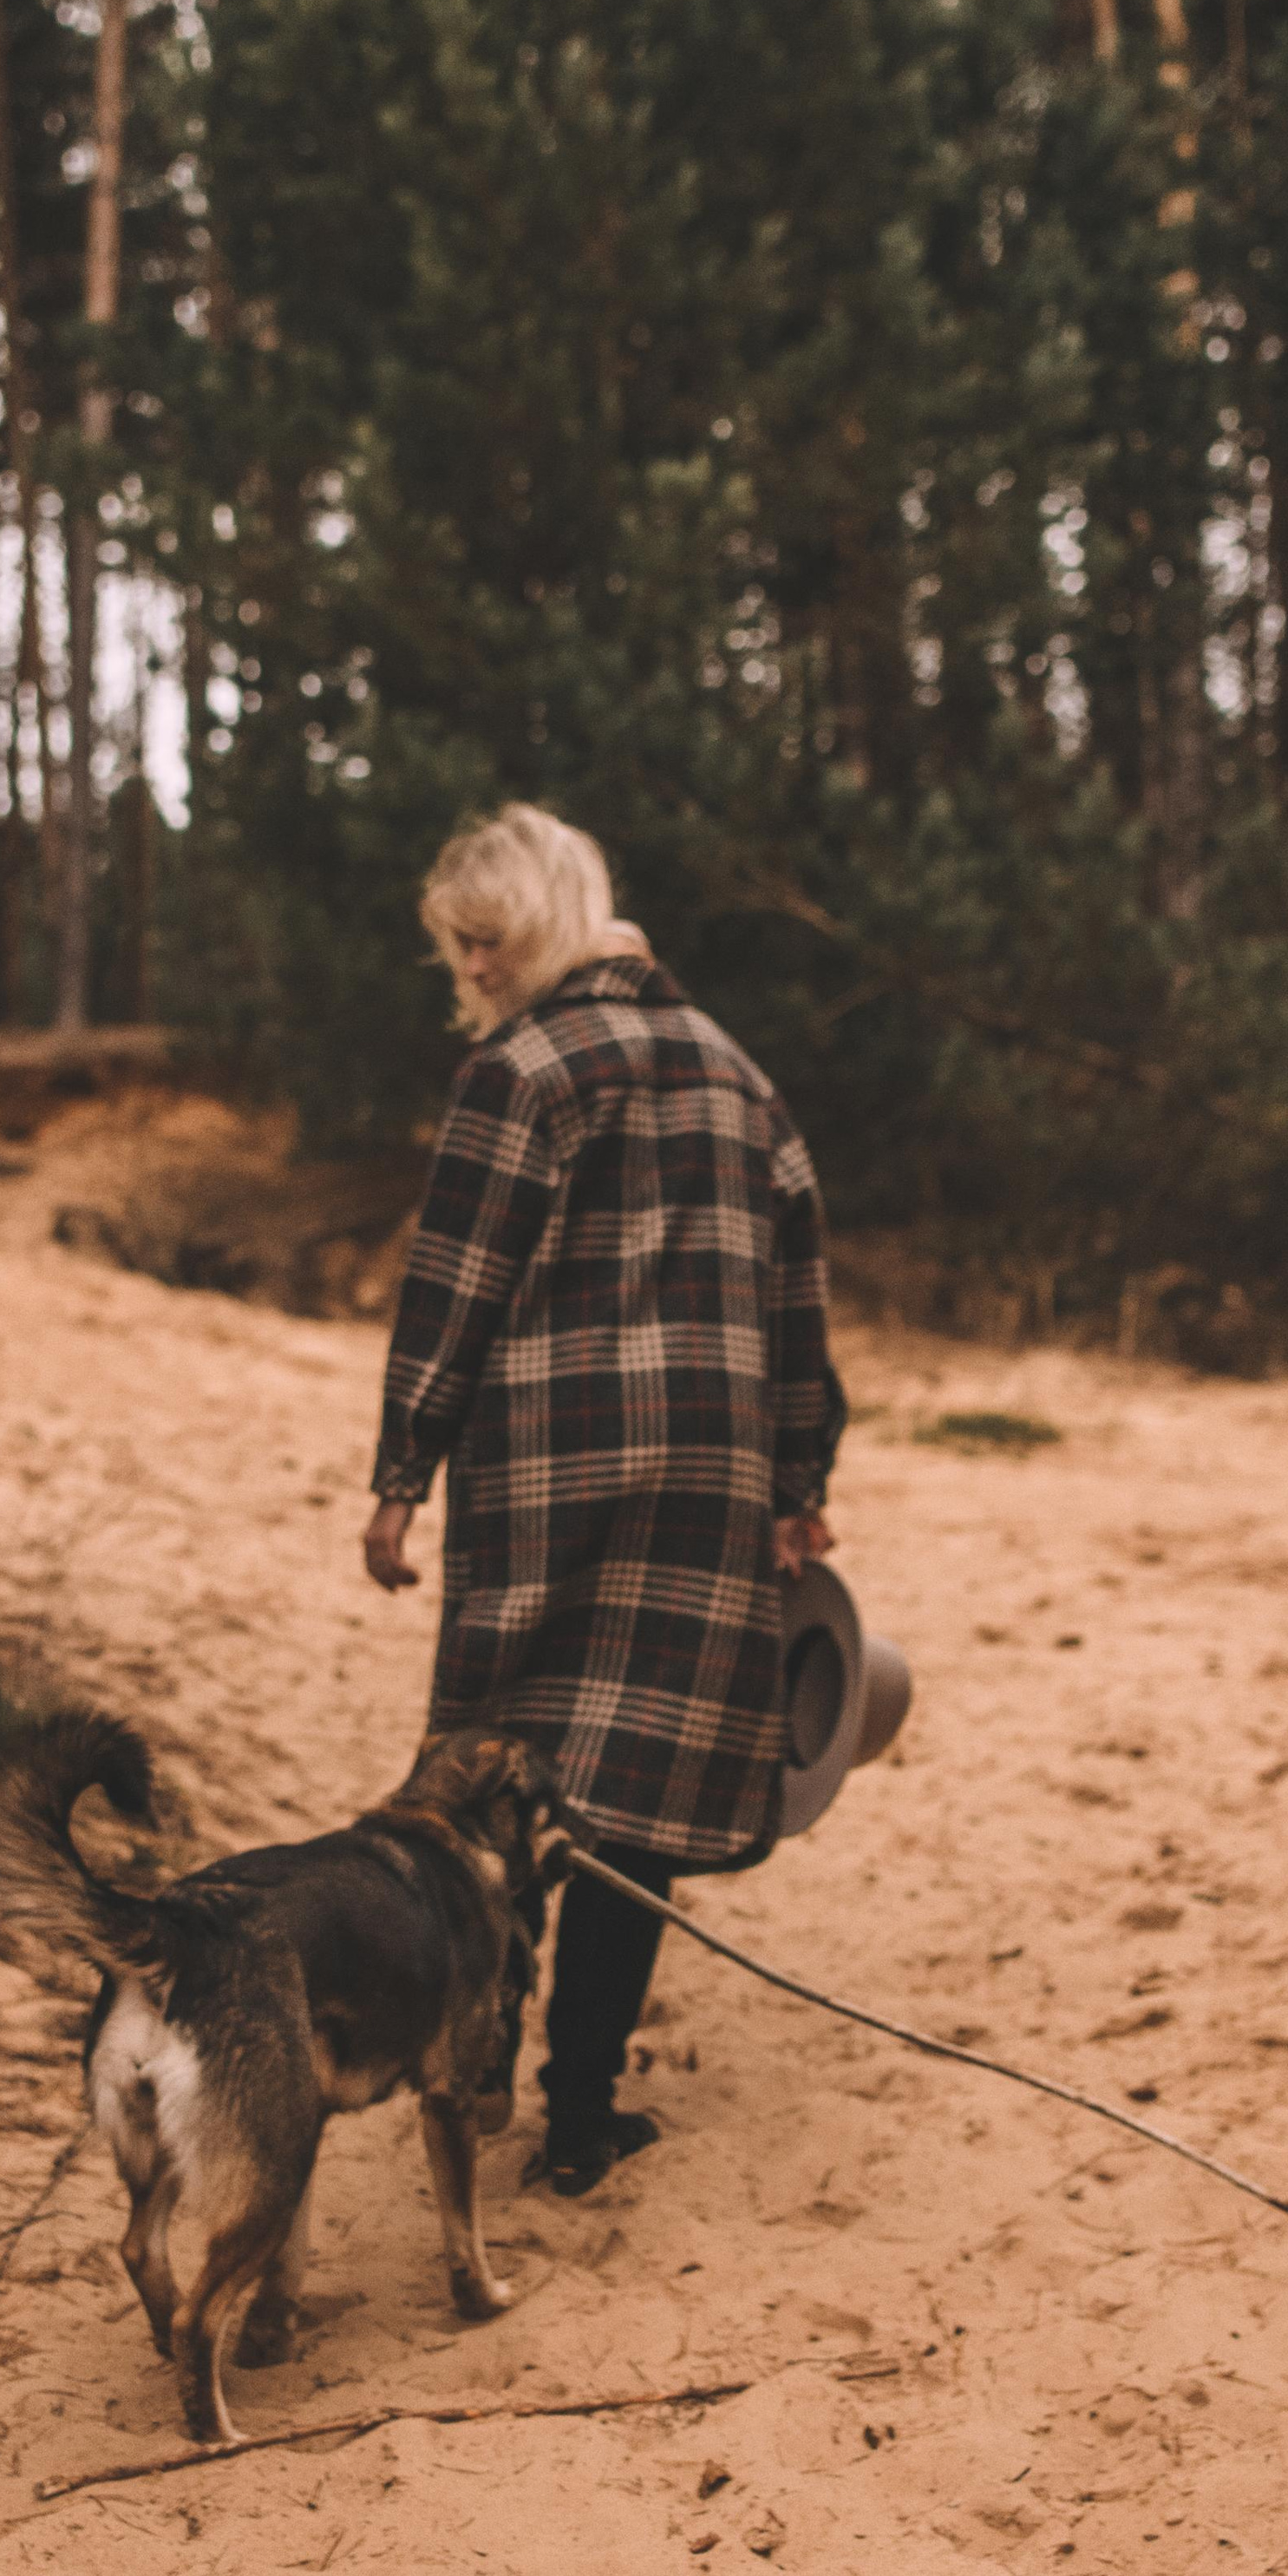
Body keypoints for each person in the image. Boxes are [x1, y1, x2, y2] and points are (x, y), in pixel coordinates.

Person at [363, 804, 847, 2194]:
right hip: (706, 1484)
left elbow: (452, 1290)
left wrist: (403, 1477)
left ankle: (481, 2074)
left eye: (482, 947)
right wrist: (798, 1482)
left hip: (544, 1478)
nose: (472, 976)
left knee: (502, 1786)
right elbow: (797, 1298)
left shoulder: (520, 1072)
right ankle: (581, 2120)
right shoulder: (741, 1077)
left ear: (536, 934)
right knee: (632, 1807)